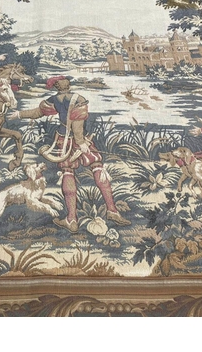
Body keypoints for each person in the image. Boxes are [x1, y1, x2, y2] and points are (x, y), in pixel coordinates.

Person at [7, 75, 130, 233]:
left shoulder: (54, 100)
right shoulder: (79, 99)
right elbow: (77, 125)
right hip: (81, 141)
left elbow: (38, 112)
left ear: (57, 87)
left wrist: (19, 114)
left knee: (68, 172)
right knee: (97, 166)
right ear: (68, 86)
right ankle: (111, 211)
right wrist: (80, 142)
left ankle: (72, 220)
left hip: (63, 141)